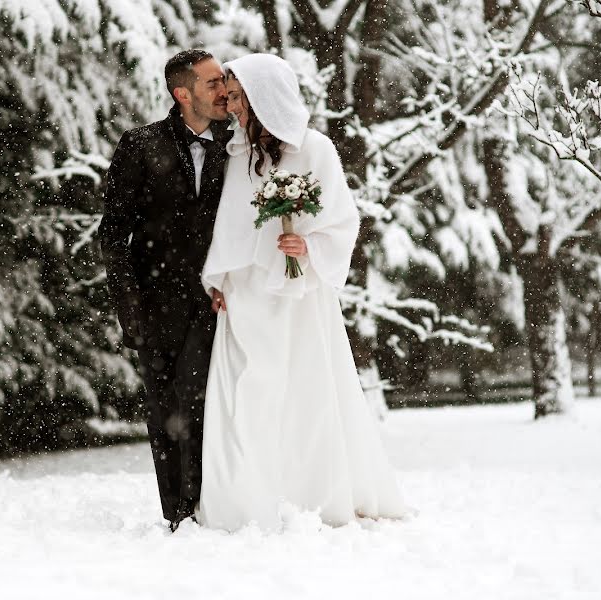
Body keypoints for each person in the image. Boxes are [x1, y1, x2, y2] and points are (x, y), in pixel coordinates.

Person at [197, 53, 409, 531]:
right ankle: (245, 497)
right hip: (246, 295)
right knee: (247, 394)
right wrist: (219, 279)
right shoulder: (236, 154)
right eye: (229, 98)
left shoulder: (316, 149)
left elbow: (343, 221)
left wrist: (307, 245)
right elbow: (228, 228)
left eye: (237, 98)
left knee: (303, 392)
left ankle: (308, 495)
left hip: (298, 295)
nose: (231, 108)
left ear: (262, 96)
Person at [99, 49, 232, 532]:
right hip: (157, 306)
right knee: (170, 412)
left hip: (227, 302)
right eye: (214, 83)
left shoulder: (237, 147)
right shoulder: (140, 146)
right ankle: (180, 514)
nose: (224, 90)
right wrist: (130, 313)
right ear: (183, 93)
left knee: (220, 408)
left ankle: (221, 506)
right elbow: (113, 235)